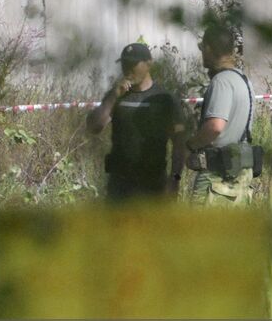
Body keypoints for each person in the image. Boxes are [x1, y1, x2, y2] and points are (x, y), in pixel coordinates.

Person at [85, 42, 186, 201]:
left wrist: (174, 181)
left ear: (149, 63)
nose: (128, 68)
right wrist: (113, 97)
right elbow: (93, 127)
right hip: (119, 187)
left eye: (133, 63)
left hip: (153, 186)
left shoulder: (165, 99)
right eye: (125, 63)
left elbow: (179, 145)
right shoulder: (116, 96)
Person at [185, 23, 259, 204]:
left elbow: (215, 127)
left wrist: (191, 145)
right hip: (239, 180)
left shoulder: (221, 82)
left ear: (209, 48)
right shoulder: (243, 80)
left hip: (217, 180)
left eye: (203, 48)